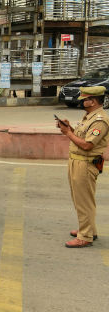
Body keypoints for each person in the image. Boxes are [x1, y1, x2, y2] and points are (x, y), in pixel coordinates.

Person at [56, 86, 109, 248]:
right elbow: (81, 136)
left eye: (85, 99)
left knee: (83, 200)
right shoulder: (89, 117)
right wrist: (69, 128)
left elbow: (87, 145)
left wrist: (67, 133)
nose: (82, 102)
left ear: (93, 101)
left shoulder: (99, 120)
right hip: (77, 161)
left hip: (85, 163)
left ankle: (85, 236)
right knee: (82, 199)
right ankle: (89, 230)